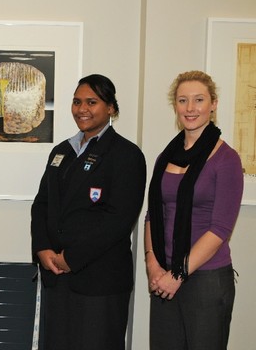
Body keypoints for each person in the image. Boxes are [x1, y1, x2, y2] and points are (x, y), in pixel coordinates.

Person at [31, 74, 146, 350]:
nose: (82, 109)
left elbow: (118, 221)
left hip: (99, 282)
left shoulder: (127, 155)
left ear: (111, 108)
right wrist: (42, 249)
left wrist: (71, 258)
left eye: (92, 102)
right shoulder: (61, 152)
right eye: (77, 102)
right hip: (57, 278)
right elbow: (41, 205)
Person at [145, 71, 243, 350]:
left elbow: (220, 229)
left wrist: (177, 275)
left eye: (199, 100)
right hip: (163, 275)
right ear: (175, 106)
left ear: (213, 104)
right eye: (183, 100)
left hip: (206, 280)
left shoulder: (227, 160)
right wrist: (153, 264)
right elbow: (154, 213)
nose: (190, 108)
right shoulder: (166, 156)